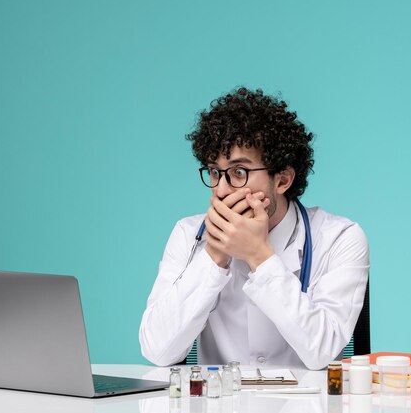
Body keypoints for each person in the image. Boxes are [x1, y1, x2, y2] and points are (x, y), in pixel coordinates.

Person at [139, 87, 369, 370]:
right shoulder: (189, 235)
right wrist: (213, 256)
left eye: (238, 172)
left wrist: (260, 256)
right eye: (214, 172)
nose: (221, 190)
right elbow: (157, 350)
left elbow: (322, 351)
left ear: (282, 180)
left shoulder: (339, 238)